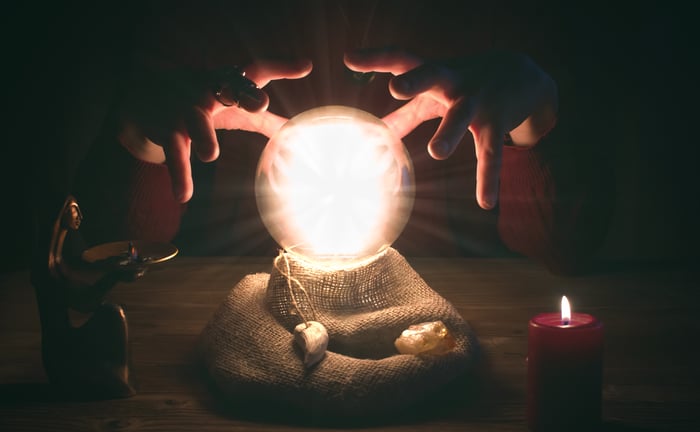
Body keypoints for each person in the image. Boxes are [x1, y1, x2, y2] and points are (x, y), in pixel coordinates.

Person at [37, 0, 614, 276]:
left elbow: (568, 253)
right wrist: (140, 137)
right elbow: (99, 262)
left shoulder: (485, 23)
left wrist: (535, 118)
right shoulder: (200, 23)